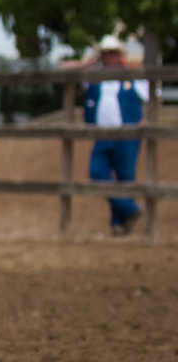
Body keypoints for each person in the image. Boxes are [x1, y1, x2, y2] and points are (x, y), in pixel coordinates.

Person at [69, 34, 148, 236]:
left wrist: (144, 121)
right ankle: (130, 209)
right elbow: (68, 72)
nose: (108, 58)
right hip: (102, 136)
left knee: (124, 178)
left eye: (112, 54)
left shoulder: (132, 77)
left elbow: (152, 96)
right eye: (105, 54)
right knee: (97, 173)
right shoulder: (94, 79)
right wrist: (89, 62)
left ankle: (118, 223)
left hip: (127, 136)